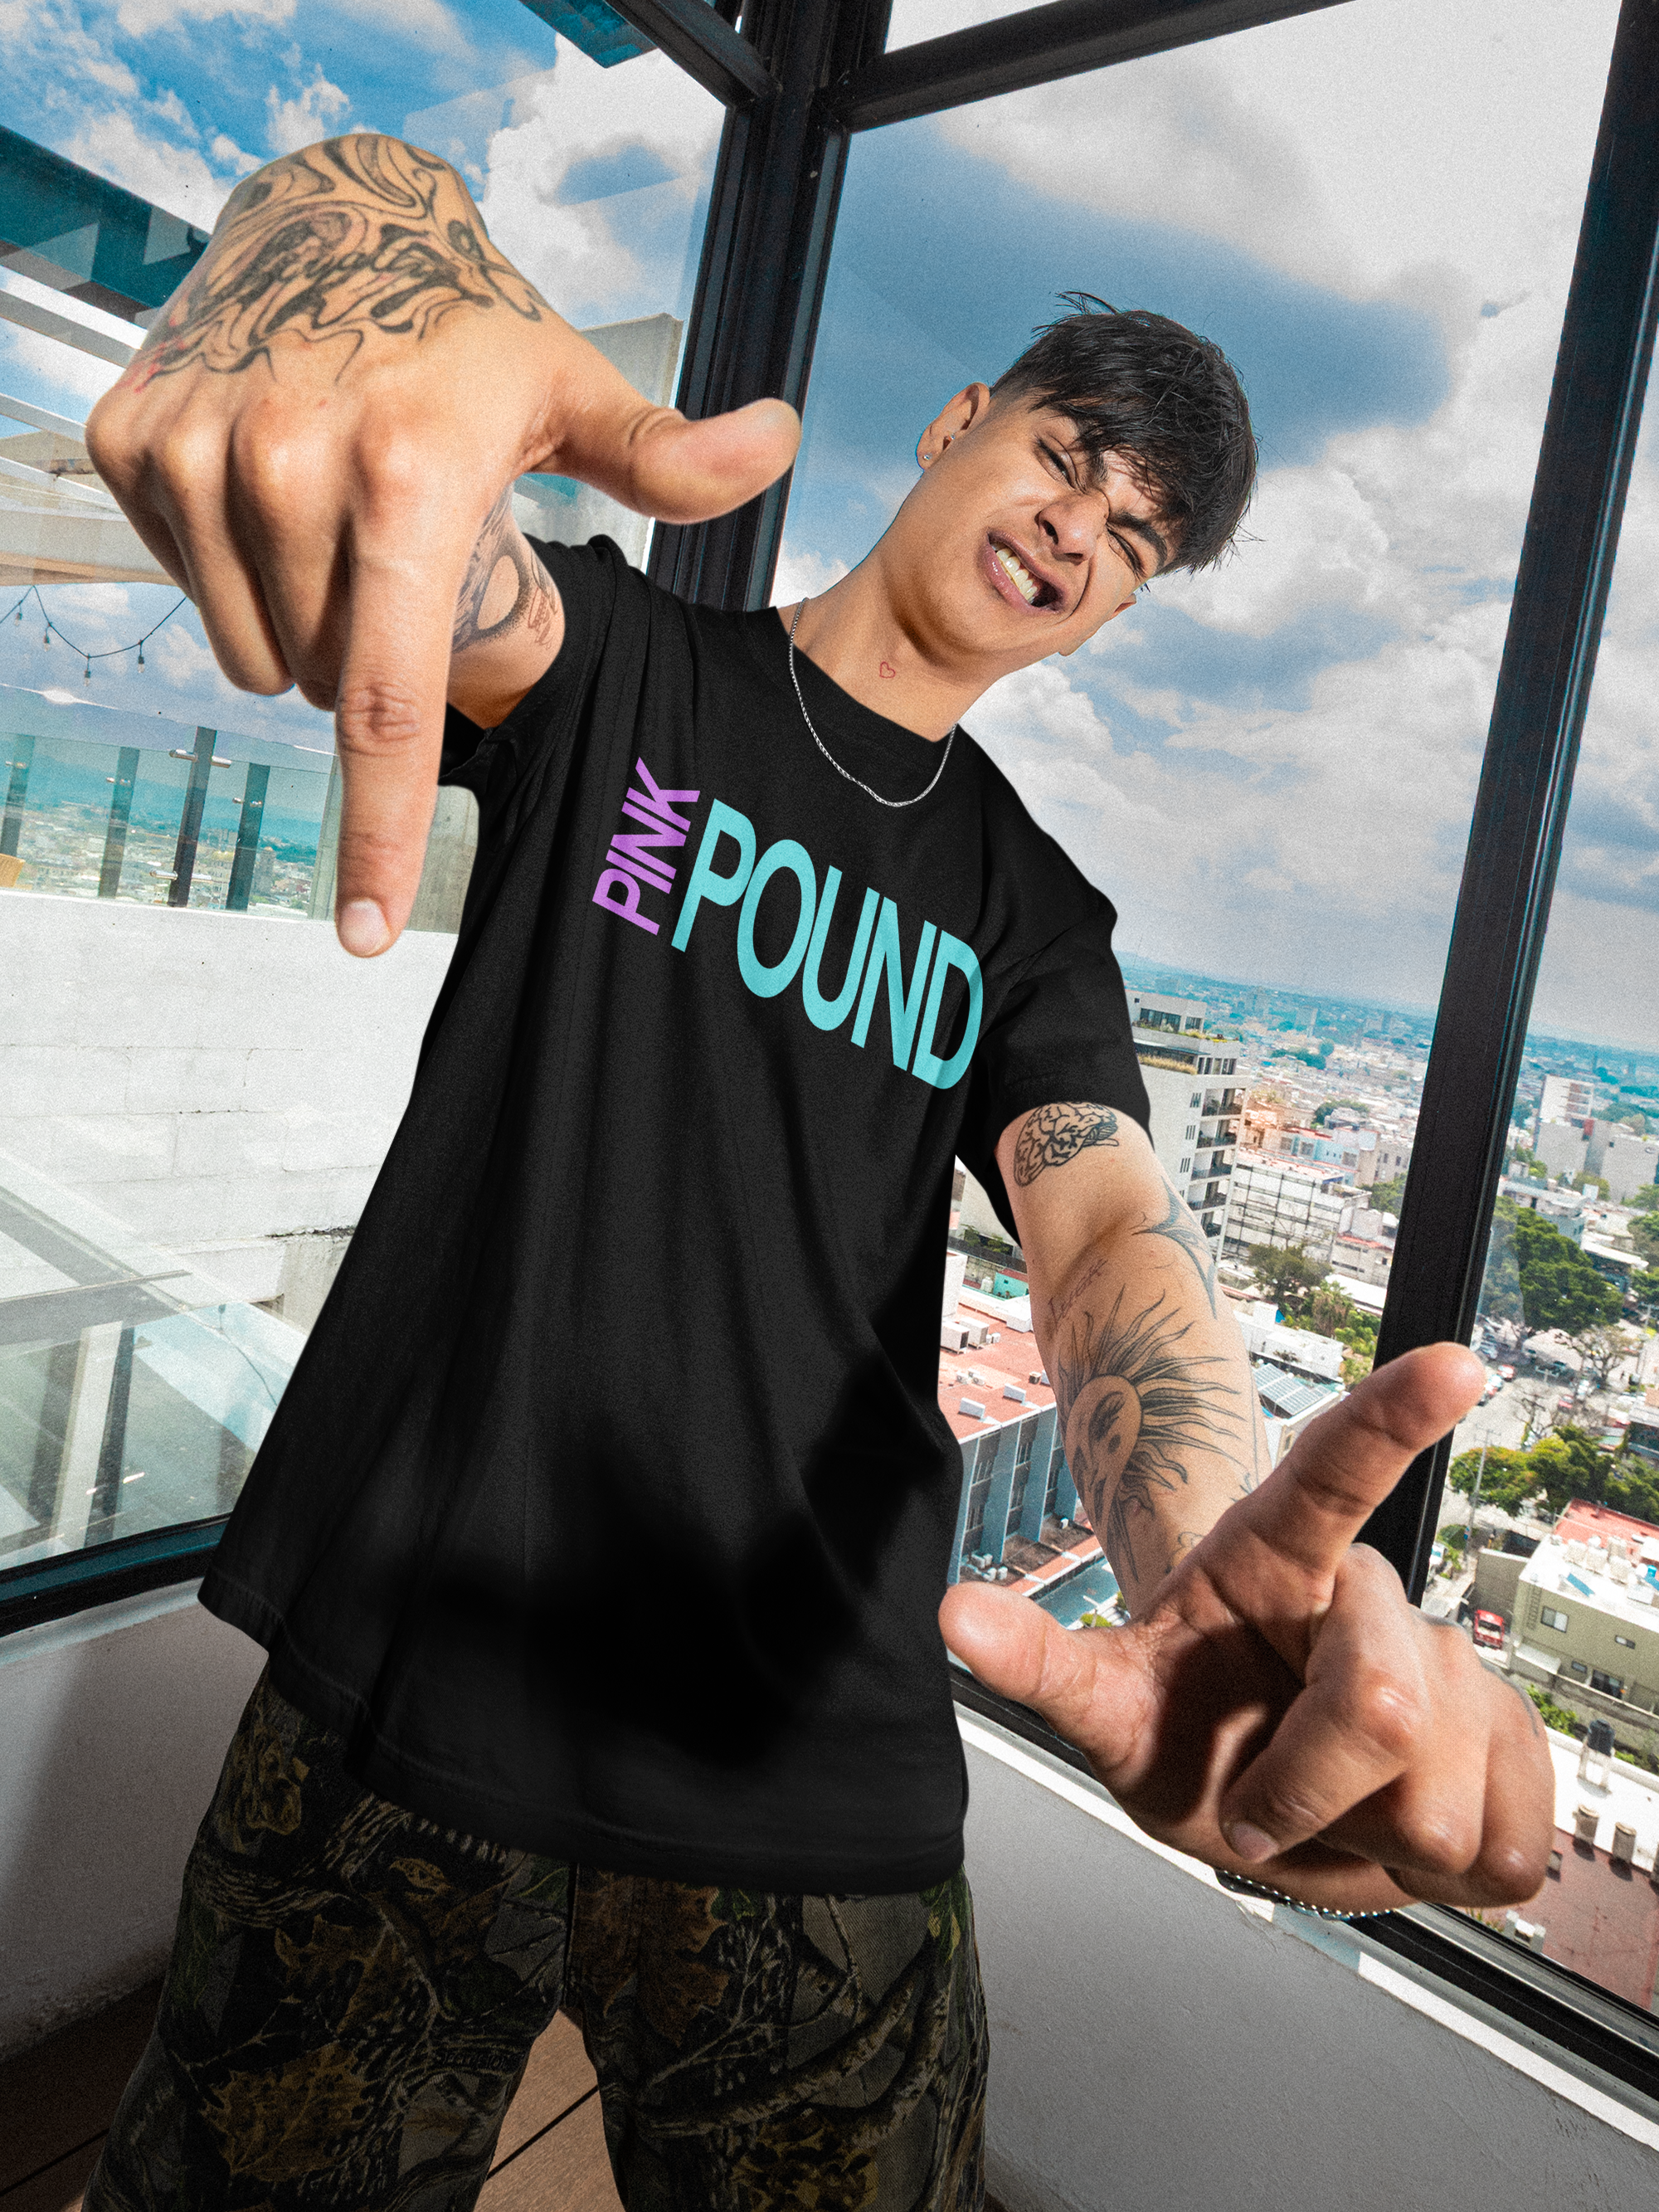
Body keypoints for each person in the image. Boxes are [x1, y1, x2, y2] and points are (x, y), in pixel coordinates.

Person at [82, 134, 1551, 2212]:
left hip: (801, 1759)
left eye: (1133, 542)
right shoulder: (624, 676)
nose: (1075, 531)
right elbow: (424, 535)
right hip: (412, 1670)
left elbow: (1106, 1220)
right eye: (1066, 457)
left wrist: (1186, 1541)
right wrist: (347, 272)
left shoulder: (1036, 919)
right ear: (960, 425)